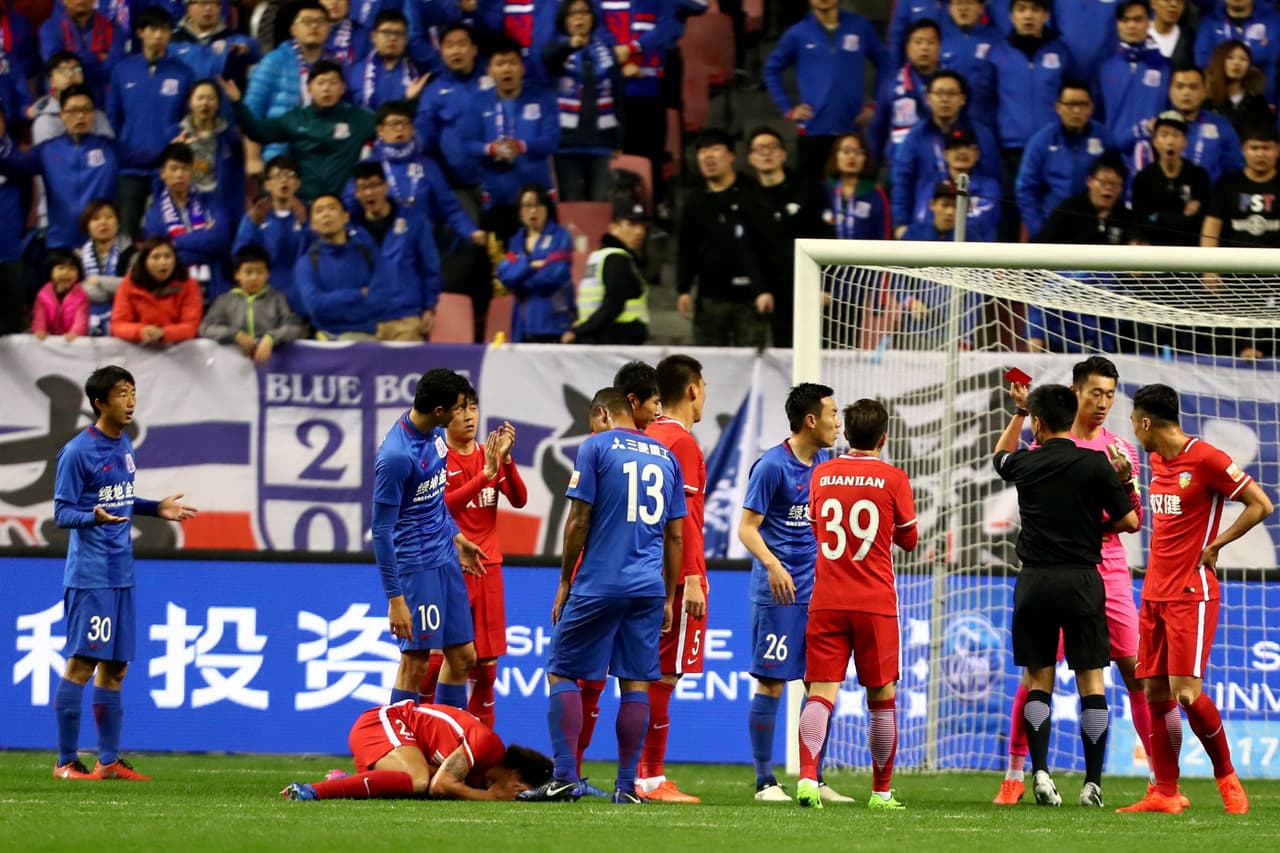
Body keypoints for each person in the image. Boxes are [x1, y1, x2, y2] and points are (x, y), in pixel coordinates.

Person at [517, 385, 686, 805]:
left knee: (561, 670)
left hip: (599, 582)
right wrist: (666, 597)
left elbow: (578, 518)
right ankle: (627, 787)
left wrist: (563, 582)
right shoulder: (667, 457)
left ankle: (564, 777)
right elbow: (677, 537)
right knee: (636, 683)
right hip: (647, 587)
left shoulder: (596, 446)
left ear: (601, 414)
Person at [993, 357, 1148, 806]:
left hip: (1054, 577)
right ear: (1075, 394)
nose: (1102, 403)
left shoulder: (1033, 459)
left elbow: (1001, 458)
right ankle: (1080, 781)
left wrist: (1020, 413)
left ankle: (1043, 774)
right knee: (1089, 681)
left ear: (1039, 422)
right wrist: (1100, 513)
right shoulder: (1100, 463)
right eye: (1095, 393)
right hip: (1084, 577)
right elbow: (1132, 519)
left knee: (1044, 677)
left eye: (1109, 395)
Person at [1117, 384, 1273, 815]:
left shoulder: (1207, 460)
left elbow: (1261, 505)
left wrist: (1218, 544)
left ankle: (1227, 778)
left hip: (1192, 593)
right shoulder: (1153, 460)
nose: (1132, 428)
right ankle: (1165, 793)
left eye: (1133, 420)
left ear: (1146, 422)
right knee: (1155, 694)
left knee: (1186, 693)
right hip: (1153, 592)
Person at [51, 365, 197, 780]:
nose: (130, 401)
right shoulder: (78, 451)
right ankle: (64, 762)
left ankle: (108, 760)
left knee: (116, 668)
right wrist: (91, 518)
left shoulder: (124, 443)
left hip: (121, 573)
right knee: (82, 664)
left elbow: (123, 499)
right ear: (100, 403)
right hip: (91, 575)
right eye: (120, 394)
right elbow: (62, 512)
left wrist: (155, 508)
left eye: (132, 392)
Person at [795, 399, 918, 811]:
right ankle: (881, 792)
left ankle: (809, 779)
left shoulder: (822, 474)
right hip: (875, 603)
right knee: (881, 699)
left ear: (846, 432)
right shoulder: (894, 478)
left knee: (820, 695)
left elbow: (817, 527)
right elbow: (910, 539)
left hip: (827, 598)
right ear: (884, 437)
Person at [737, 383, 846, 803]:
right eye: (833, 413)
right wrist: (773, 564)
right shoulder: (771, 467)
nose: (839, 422)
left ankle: (811, 778)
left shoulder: (827, 464)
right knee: (771, 685)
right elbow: (746, 528)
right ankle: (765, 782)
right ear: (810, 420)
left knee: (821, 685)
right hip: (778, 593)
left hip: (819, 592)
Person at [371, 368, 486, 715]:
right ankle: (402, 751)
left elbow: (432, 498)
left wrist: (458, 538)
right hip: (417, 566)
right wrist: (395, 599)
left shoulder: (435, 435)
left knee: (464, 657)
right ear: (439, 410)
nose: (462, 414)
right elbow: (381, 530)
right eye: (458, 407)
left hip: (444, 558)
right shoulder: (395, 457)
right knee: (417, 662)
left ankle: (444, 743)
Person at [635, 354, 708, 803]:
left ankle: (641, 775)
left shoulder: (646, 435)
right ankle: (651, 778)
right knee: (665, 675)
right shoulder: (681, 442)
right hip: (673, 578)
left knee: (645, 674)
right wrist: (694, 577)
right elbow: (685, 522)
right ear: (694, 390)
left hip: (640, 571)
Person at [428, 393, 525, 728]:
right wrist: (485, 475)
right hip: (451, 569)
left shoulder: (490, 454)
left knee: (485, 673)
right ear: (444, 416)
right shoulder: (438, 458)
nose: (469, 416)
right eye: (460, 409)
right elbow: (442, 508)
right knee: (433, 666)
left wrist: (505, 462)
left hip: (489, 569)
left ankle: (479, 757)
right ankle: (424, 744)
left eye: (473, 407)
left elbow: (520, 498)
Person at [280, 700, 552, 800]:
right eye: (520, 788)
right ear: (514, 773)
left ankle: (344, 780)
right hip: (383, 722)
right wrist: (489, 798)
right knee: (422, 782)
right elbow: (440, 785)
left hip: (393, 752)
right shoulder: (487, 744)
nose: (519, 795)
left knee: (418, 786)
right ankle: (313, 790)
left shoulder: (479, 775)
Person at [441, 36, 560, 242]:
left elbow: (552, 140)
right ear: (489, 70)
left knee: (544, 264)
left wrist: (522, 147)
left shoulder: (543, 97)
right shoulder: (477, 103)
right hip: (499, 199)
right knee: (499, 267)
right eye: (500, 64)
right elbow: (467, 144)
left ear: (522, 67)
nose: (507, 69)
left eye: (512, 63)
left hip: (538, 201)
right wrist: (490, 149)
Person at [764, 0, 888, 187]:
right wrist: (788, 108)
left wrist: (875, 104)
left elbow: (886, 63)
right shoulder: (797, 33)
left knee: (853, 199)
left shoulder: (860, 26)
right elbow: (771, 70)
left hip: (851, 130)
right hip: (813, 131)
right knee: (811, 199)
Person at [225, 61, 381, 203]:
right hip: (302, 202)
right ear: (309, 88)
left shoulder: (360, 119)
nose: (326, 88)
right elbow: (257, 132)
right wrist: (237, 103)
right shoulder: (295, 118)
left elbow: (390, 125)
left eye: (333, 83)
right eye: (320, 83)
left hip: (342, 204)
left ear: (342, 88)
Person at [676, 129, 769, 348]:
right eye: (702, 151)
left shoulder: (753, 192)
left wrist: (764, 288)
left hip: (750, 298)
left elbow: (765, 245)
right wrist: (683, 289)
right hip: (710, 298)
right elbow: (686, 246)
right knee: (708, 367)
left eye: (715, 149)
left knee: (752, 364)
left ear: (731, 156)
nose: (708, 156)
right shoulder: (695, 199)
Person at [107, 6, 194, 240]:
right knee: (126, 234)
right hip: (130, 167)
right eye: (153, 29)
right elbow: (113, 118)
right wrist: (122, 150)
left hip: (166, 170)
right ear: (140, 32)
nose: (159, 35)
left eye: (165, 30)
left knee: (167, 234)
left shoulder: (183, 73)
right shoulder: (122, 70)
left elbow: (188, 118)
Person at [989, 0, 1071, 242]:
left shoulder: (1060, 53)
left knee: (1053, 220)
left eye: (1035, 9)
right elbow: (987, 104)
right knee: (1009, 222)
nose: (1028, 15)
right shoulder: (997, 54)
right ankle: (1003, 279)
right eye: (1022, 9)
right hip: (1011, 153)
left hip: (1052, 151)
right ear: (1011, 15)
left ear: (1046, 14)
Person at [742, 125, 831, 349]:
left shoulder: (808, 189)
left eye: (772, 147)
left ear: (783, 153)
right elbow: (748, 248)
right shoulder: (747, 197)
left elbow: (827, 238)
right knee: (784, 354)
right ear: (751, 158)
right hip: (775, 295)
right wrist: (761, 289)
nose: (766, 153)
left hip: (812, 290)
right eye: (760, 149)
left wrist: (826, 286)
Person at [0, 84, 117, 249]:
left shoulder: (110, 149)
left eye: (86, 110)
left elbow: (145, 159)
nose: (80, 116)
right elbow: (12, 165)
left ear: (94, 115)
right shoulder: (47, 150)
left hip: (100, 244)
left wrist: (167, 147)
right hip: (60, 244)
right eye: (73, 111)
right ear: (62, 115)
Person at [890, 70, 1002, 238]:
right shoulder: (914, 137)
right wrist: (900, 224)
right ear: (928, 98)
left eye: (951, 93)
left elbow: (992, 174)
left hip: (973, 231)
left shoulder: (981, 134)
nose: (944, 99)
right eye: (939, 93)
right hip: (925, 231)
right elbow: (902, 182)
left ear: (962, 99)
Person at [348, 160, 441, 342]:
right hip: (363, 323)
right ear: (356, 193)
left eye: (374, 185)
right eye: (362, 188)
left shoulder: (415, 221)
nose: (369, 193)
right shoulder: (349, 229)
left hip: (405, 320)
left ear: (386, 186)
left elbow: (431, 268)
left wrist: (429, 307)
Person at [542, 0, 623, 203]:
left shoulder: (607, 52)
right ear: (564, 20)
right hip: (567, 144)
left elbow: (619, 95)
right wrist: (571, 45)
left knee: (602, 207)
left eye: (584, 12)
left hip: (601, 144)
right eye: (573, 14)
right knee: (573, 209)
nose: (579, 17)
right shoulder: (557, 49)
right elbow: (548, 58)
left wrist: (619, 139)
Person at [1015, 82, 1109, 241]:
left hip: (1094, 228)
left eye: (1082, 104)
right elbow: (1025, 190)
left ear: (1091, 108)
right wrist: (1039, 230)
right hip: (1052, 226)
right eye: (1071, 104)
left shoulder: (1104, 137)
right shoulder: (1041, 141)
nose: (1077, 111)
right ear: (1058, 107)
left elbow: (1117, 179)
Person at [242, 0, 332, 164]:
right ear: (293, 29)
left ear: (328, 28)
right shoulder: (273, 62)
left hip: (323, 159)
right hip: (280, 157)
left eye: (320, 22)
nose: (314, 27)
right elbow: (251, 111)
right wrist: (252, 157)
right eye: (306, 22)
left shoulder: (335, 66)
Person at [291, 193, 390, 339]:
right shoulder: (306, 263)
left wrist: (333, 303)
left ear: (345, 217)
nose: (326, 214)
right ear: (312, 224)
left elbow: (382, 299)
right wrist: (358, 294)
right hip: (325, 341)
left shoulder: (368, 254)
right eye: (319, 211)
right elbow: (315, 306)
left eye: (332, 208)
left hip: (367, 339)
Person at [143, 142, 233, 300]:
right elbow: (162, 257)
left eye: (184, 168)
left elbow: (221, 239)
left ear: (192, 172)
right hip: (173, 295)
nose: (179, 174)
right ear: (163, 173)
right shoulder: (154, 215)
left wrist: (175, 241)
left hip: (215, 291)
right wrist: (205, 239)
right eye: (174, 168)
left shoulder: (211, 202)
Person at [563, 198, 649, 345]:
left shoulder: (598, 256)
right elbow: (613, 305)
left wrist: (584, 328)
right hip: (616, 339)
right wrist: (582, 330)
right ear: (613, 227)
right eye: (631, 224)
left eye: (642, 225)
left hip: (599, 338)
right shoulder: (617, 259)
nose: (639, 231)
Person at [496, 183, 575, 343]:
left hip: (553, 320)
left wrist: (521, 280)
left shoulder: (560, 236)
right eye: (527, 206)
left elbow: (556, 274)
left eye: (538, 205)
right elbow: (505, 274)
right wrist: (530, 265)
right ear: (520, 211)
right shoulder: (516, 242)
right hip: (522, 322)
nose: (532, 211)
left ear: (547, 208)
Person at [198, 245, 305, 363]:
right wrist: (236, 335)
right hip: (232, 367)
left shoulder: (278, 298)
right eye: (248, 272)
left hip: (273, 365)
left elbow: (295, 328)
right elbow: (205, 328)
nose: (254, 277)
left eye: (260, 272)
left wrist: (271, 338)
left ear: (268, 274)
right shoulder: (224, 301)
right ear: (237, 275)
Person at [231, 155, 309, 312]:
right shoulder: (255, 217)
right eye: (278, 176)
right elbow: (239, 254)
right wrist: (253, 226)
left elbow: (315, 254)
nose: (284, 180)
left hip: (300, 294)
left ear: (298, 184)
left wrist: (306, 227)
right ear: (267, 184)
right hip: (264, 295)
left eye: (290, 175)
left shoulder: (308, 215)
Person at [169, 79, 246, 231]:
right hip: (186, 199)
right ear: (190, 102)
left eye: (210, 98)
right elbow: (163, 173)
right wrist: (175, 152)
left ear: (218, 104)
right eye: (200, 98)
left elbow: (238, 178)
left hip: (218, 201)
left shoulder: (230, 137)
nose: (205, 103)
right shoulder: (175, 134)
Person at [1092, 1, 1170, 150]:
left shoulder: (1164, 67)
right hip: (1114, 155)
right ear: (1117, 24)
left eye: (1138, 19)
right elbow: (1096, 116)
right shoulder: (1104, 67)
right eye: (1125, 20)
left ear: (1149, 21)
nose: (1131, 26)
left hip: (1154, 156)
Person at [1130, 110, 1209, 246]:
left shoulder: (1198, 176)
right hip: (1154, 250)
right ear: (1155, 141)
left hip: (1189, 251)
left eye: (1176, 135)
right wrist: (1182, 217)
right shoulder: (1143, 178)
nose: (1170, 141)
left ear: (1185, 142)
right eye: (1164, 135)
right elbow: (1141, 223)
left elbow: (1199, 223)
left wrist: (1157, 217)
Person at [870, 18, 942, 167]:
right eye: (918, 42)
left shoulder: (952, 85)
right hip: (901, 166)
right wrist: (872, 168)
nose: (924, 48)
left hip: (940, 167)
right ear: (908, 47)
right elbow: (878, 129)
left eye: (931, 42)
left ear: (940, 47)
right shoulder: (891, 85)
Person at [110, 237, 204, 346]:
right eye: (156, 257)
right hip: (138, 351)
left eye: (168, 256)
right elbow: (118, 324)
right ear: (144, 261)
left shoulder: (189, 285)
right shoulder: (129, 284)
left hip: (179, 352)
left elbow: (190, 326)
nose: (163, 262)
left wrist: (163, 333)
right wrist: (141, 331)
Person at [1035, 154, 1135, 246]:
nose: (1108, 188)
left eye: (1114, 184)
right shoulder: (1068, 210)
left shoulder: (1125, 216)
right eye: (1103, 182)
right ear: (1089, 181)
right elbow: (1044, 245)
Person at [39, 0, 127, 103]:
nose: (80, 1)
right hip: (61, 103)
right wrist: (97, 56)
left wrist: (76, 71)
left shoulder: (113, 28)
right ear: (63, 1)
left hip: (101, 102)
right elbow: (55, 62)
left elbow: (116, 68)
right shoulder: (50, 27)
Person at [1194, 0, 1280, 103]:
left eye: (1242, 59)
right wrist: (1250, 59)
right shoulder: (1210, 20)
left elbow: (1271, 53)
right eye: (1232, 58)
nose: (1236, 62)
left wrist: (1222, 58)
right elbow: (1202, 58)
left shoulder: (1272, 19)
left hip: (1262, 100)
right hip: (1219, 101)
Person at [169, 0, 260, 87]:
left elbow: (254, 51)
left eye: (215, 3)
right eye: (203, 3)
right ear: (188, 7)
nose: (208, 8)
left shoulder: (232, 39)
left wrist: (246, 48)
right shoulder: (172, 41)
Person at [29, 52, 113, 145]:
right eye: (63, 70)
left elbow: (111, 151)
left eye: (76, 69)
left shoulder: (97, 116)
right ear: (51, 81)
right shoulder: (45, 122)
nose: (71, 75)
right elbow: (50, 158)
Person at [80, 200, 136, 338]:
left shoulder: (132, 253)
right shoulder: (77, 257)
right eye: (96, 219)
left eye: (109, 217)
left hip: (127, 317)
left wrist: (98, 281)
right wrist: (114, 286)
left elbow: (132, 287)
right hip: (83, 320)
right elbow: (76, 293)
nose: (103, 223)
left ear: (118, 222)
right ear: (87, 225)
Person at [347, 9, 422, 110]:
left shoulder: (418, 72)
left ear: (406, 39)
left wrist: (409, 101)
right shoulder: (355, 72)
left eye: (399, 33)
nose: (392, 38)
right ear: (373, 36)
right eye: (386, 32)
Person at [825, 132, 891, 240]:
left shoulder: (876, 195)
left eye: (858, 152)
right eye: (846, 151)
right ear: (835, 155)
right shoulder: (822, 190)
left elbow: (884, 236)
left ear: (865, 158)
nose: (852, 156)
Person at [1204, 40, 1272, 136]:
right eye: (1230, 58)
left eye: (1243, 59)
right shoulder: (1207, 102)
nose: (1237, 63)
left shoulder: (1257, 103)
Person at [31, 249, 89, 341]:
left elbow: (81, 320)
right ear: (51, 272)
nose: (66, 273)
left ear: (78, 275)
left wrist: (75, 332)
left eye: (72, 269)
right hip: (50, 340)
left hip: (72, 340)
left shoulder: (81, 296)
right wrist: (40, 330)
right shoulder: (42, 295)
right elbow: (39, 317)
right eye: (61, 268)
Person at [1147, 0, 1194, 68]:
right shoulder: (1138, 32)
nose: (1174, 4)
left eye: (1179, 1)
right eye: (1167, 0)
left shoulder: (1189, 39)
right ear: (1153, 2)